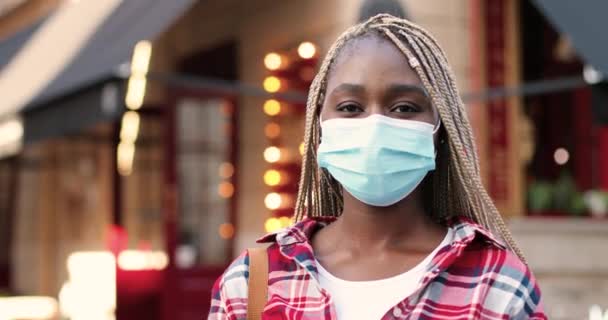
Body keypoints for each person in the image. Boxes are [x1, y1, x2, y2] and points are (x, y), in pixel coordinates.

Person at [208, 14, 545, 319]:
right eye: (351, 107)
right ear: (318, 127)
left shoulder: (497, 286)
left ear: (440, 132)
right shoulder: (253, 284)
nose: (375, 126)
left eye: (403, 108)